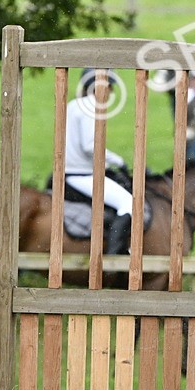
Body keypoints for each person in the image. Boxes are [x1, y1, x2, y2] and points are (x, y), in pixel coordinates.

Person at [66, 70, 133, 256]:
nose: (111, 93)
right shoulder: (90, 106)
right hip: (82, 174)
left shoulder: (73, 105)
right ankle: (115, 255)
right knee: (128, 203)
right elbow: (89, 146)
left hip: (69, 171)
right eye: (109, 87)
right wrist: (118, 161)